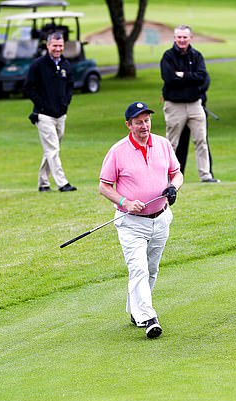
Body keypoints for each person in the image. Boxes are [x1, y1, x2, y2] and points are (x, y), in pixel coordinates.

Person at [99, 102, 184, 339]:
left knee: (151, 269)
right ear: (129, 125)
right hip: (132, 223)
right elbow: (104, 187)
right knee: (138, 269)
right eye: (138, 122)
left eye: (146, 120)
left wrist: (173, 187)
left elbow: (176, 173)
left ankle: (134, 310)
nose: (144, 126)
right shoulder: (118, 151)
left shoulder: (163, 145)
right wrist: (125, 201)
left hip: (160, 218)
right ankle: (148, 317)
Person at [160, 24, 219, 183]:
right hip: (174, 105)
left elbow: (202, 77)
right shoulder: (168, 56)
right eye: (179, 37)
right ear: (174, 38)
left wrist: (183, 75)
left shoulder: (196, 56)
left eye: (185, 37)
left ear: (190, 38)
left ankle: (206, 175)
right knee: (172, 144)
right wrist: (190, 78)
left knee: (201, 141)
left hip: (195, 104)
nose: (182, 40)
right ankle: (166, 178)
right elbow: (169, 79)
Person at [24, 32, 77, 192]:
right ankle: (62, 183)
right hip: (44, 115)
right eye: (54, 45)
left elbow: (70, 86)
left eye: (60, 45)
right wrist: (42, 105)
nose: (57, 49)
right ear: (48, 46)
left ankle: (43, 183)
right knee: (53, 149)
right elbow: (28, 88)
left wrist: (65, 103)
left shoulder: (66, 65)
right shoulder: (38, 65)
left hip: (60, 114)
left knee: (51, 150)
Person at [176, 73, 216, 177]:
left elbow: (204, 80)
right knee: (180, 144)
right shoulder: (172, 61)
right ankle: (177, 175)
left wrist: (187, 82)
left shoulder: (196, 61)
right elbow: (171, 82)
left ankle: (207, 173)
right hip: (179, 108)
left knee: (202, 141)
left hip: (198, 107)